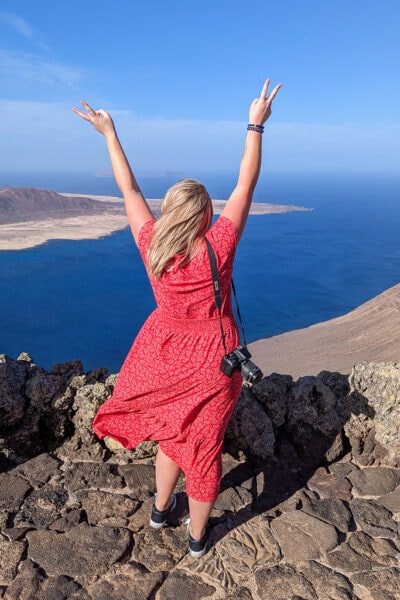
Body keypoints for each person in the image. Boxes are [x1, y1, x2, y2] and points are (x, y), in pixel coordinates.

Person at [72, 78, 281, 558]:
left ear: (170, 216)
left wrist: (108, 133)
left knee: (171, 433)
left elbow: (128, 187)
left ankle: (160, 510)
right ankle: (197, 538)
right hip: (214, 359)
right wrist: (255, 124)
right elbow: (246, 183)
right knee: (203, 446)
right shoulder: (219, 247)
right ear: (206, 217)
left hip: (163, 351)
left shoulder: (152, 245)